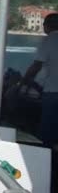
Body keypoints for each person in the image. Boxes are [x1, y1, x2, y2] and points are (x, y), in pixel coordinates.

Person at [22, 13, 58, 148]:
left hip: (52, 92)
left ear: (47, 26)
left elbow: (36, 66)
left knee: (46, 132)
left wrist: (24, 81)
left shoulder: (48, 41)